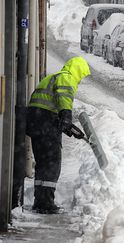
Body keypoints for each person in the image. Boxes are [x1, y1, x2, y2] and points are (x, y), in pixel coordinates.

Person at [26, 56, 90, 214]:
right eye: (81, 75)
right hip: (45, 122)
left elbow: (49, 102)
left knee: (42, 163)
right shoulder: (66, 78)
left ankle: (40, 201)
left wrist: (66, 126)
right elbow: (64, 98)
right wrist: (66, 116)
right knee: (52, 164)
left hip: (35, 122)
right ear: (78, 71)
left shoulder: (52, 77)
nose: (80, 80)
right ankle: (46, 204)